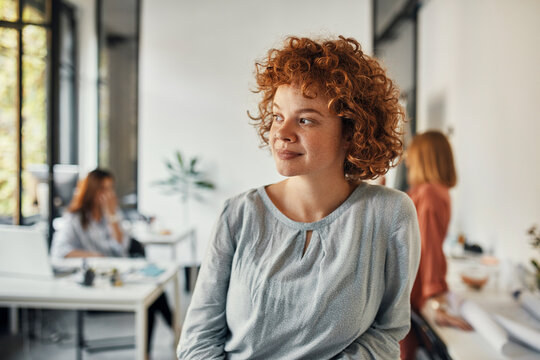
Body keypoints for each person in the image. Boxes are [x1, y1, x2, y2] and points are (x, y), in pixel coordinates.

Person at [177, 35, 421, 359]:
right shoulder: (238, 215)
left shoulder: (389, 215)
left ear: (351, 131)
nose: (281, 132)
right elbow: (197, 342)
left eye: (305, 119)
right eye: (278, 116)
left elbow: (387, 333)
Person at [50, 169, 173, 357]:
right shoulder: (74, 218)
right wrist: (95, 257)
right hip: (93, 283)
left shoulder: (114, 215)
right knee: (155, 298)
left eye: (111, 189)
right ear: (91, 191)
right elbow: (59, 253)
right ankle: (174, 332)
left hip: (116, 278)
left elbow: (121, 248)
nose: (108, 194)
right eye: (103, 189)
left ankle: (151, 349)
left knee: (154, 294)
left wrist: (111, 215)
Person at [400, 131, 472, 360]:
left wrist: (432, 299)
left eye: (412, 157)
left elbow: (427, 247)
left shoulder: (428, 194)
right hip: (416, 283)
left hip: (413, 286)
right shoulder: (437, 192)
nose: (407, 162)